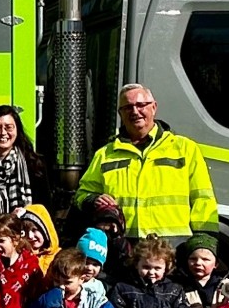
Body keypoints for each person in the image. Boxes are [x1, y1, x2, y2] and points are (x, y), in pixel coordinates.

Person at [75, 83, 218, 245]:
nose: (135, 111)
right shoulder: (105, 154)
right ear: (120, 114)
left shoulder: (185, 149)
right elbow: (81, 195)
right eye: (128, 107)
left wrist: (204, 243)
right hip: (125, 248)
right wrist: (94, 200)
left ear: (154, 107)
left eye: (141, 105)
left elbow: (203, 200)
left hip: (173, 248)